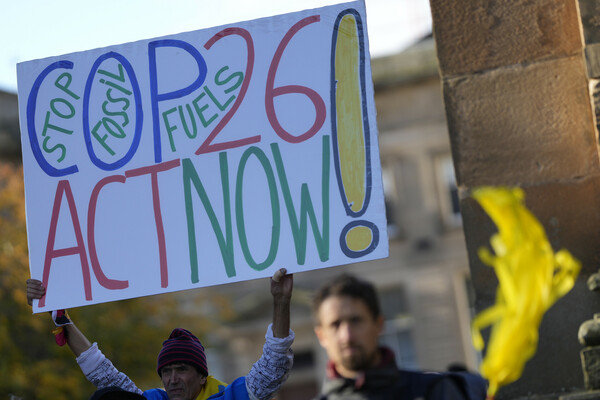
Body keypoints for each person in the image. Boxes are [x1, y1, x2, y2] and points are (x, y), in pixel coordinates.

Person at [27, 268, 294, 400]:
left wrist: (280, 302)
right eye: (166, 372)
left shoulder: (231, 397)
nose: (173, 379)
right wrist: (56, 312)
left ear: (203, 375)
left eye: (181, 369)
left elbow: (273, 368)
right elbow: (100, 371)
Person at [312, 273, 487, 400]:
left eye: (356, 321)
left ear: (379, 324)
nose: (347, 336)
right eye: (335, 325)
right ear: (321, 336)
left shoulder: (434, 390)